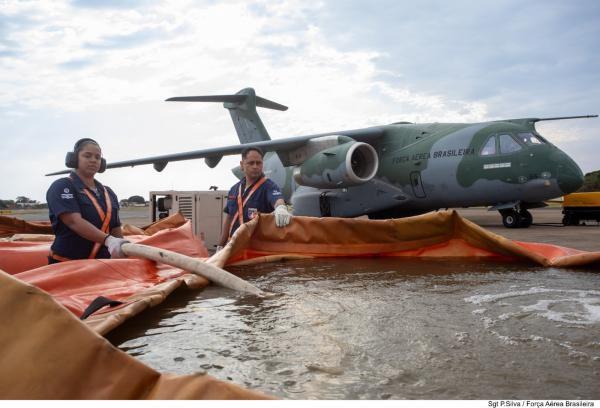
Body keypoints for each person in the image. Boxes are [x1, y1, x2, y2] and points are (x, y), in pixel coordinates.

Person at [46, 138, 128, 263]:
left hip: (102, 264)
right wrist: (109, 240)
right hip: (67, 264)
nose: (93, 160)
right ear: (74, 159)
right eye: (87, 156)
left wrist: (122, 247)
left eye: (97, 157)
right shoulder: (62, 186)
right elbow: (73, 221)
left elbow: (115, 226)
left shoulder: (108, 192)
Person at [218, 146, 292, 247]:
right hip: (234, 247)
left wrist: (281, 208)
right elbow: (229, 218)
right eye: (251, 163)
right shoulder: (234, 189)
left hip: (257, 248)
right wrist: (220, 246)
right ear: (242, 165)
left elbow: (277, 199)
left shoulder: (268, 186)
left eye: (259, 163)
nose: (255, 166)